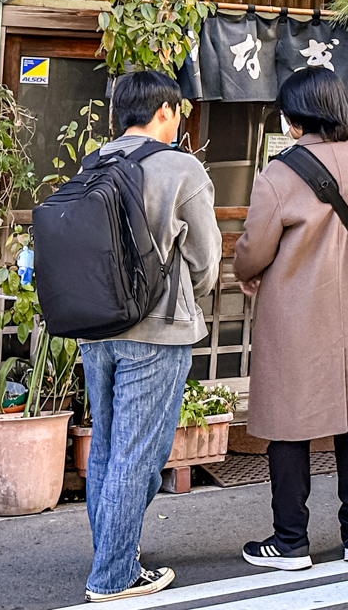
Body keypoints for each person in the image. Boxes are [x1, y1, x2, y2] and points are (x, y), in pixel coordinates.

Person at [233, 66, 348, 570]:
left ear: (297, 118)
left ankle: (290, 540)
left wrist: (246, 272)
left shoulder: (280, 174)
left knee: (287, 421)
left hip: (295, 310)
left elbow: (255, 249)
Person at [80, 71, 221, 603]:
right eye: (177, 110)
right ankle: (113, 575)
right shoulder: (180, 167)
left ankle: (112, 552)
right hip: (157, 330)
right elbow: (206, 260)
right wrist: (196, 292)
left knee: (109, 449)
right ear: (164, 110)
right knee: (139, 453)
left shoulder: (95, 161)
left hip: (96, 327)